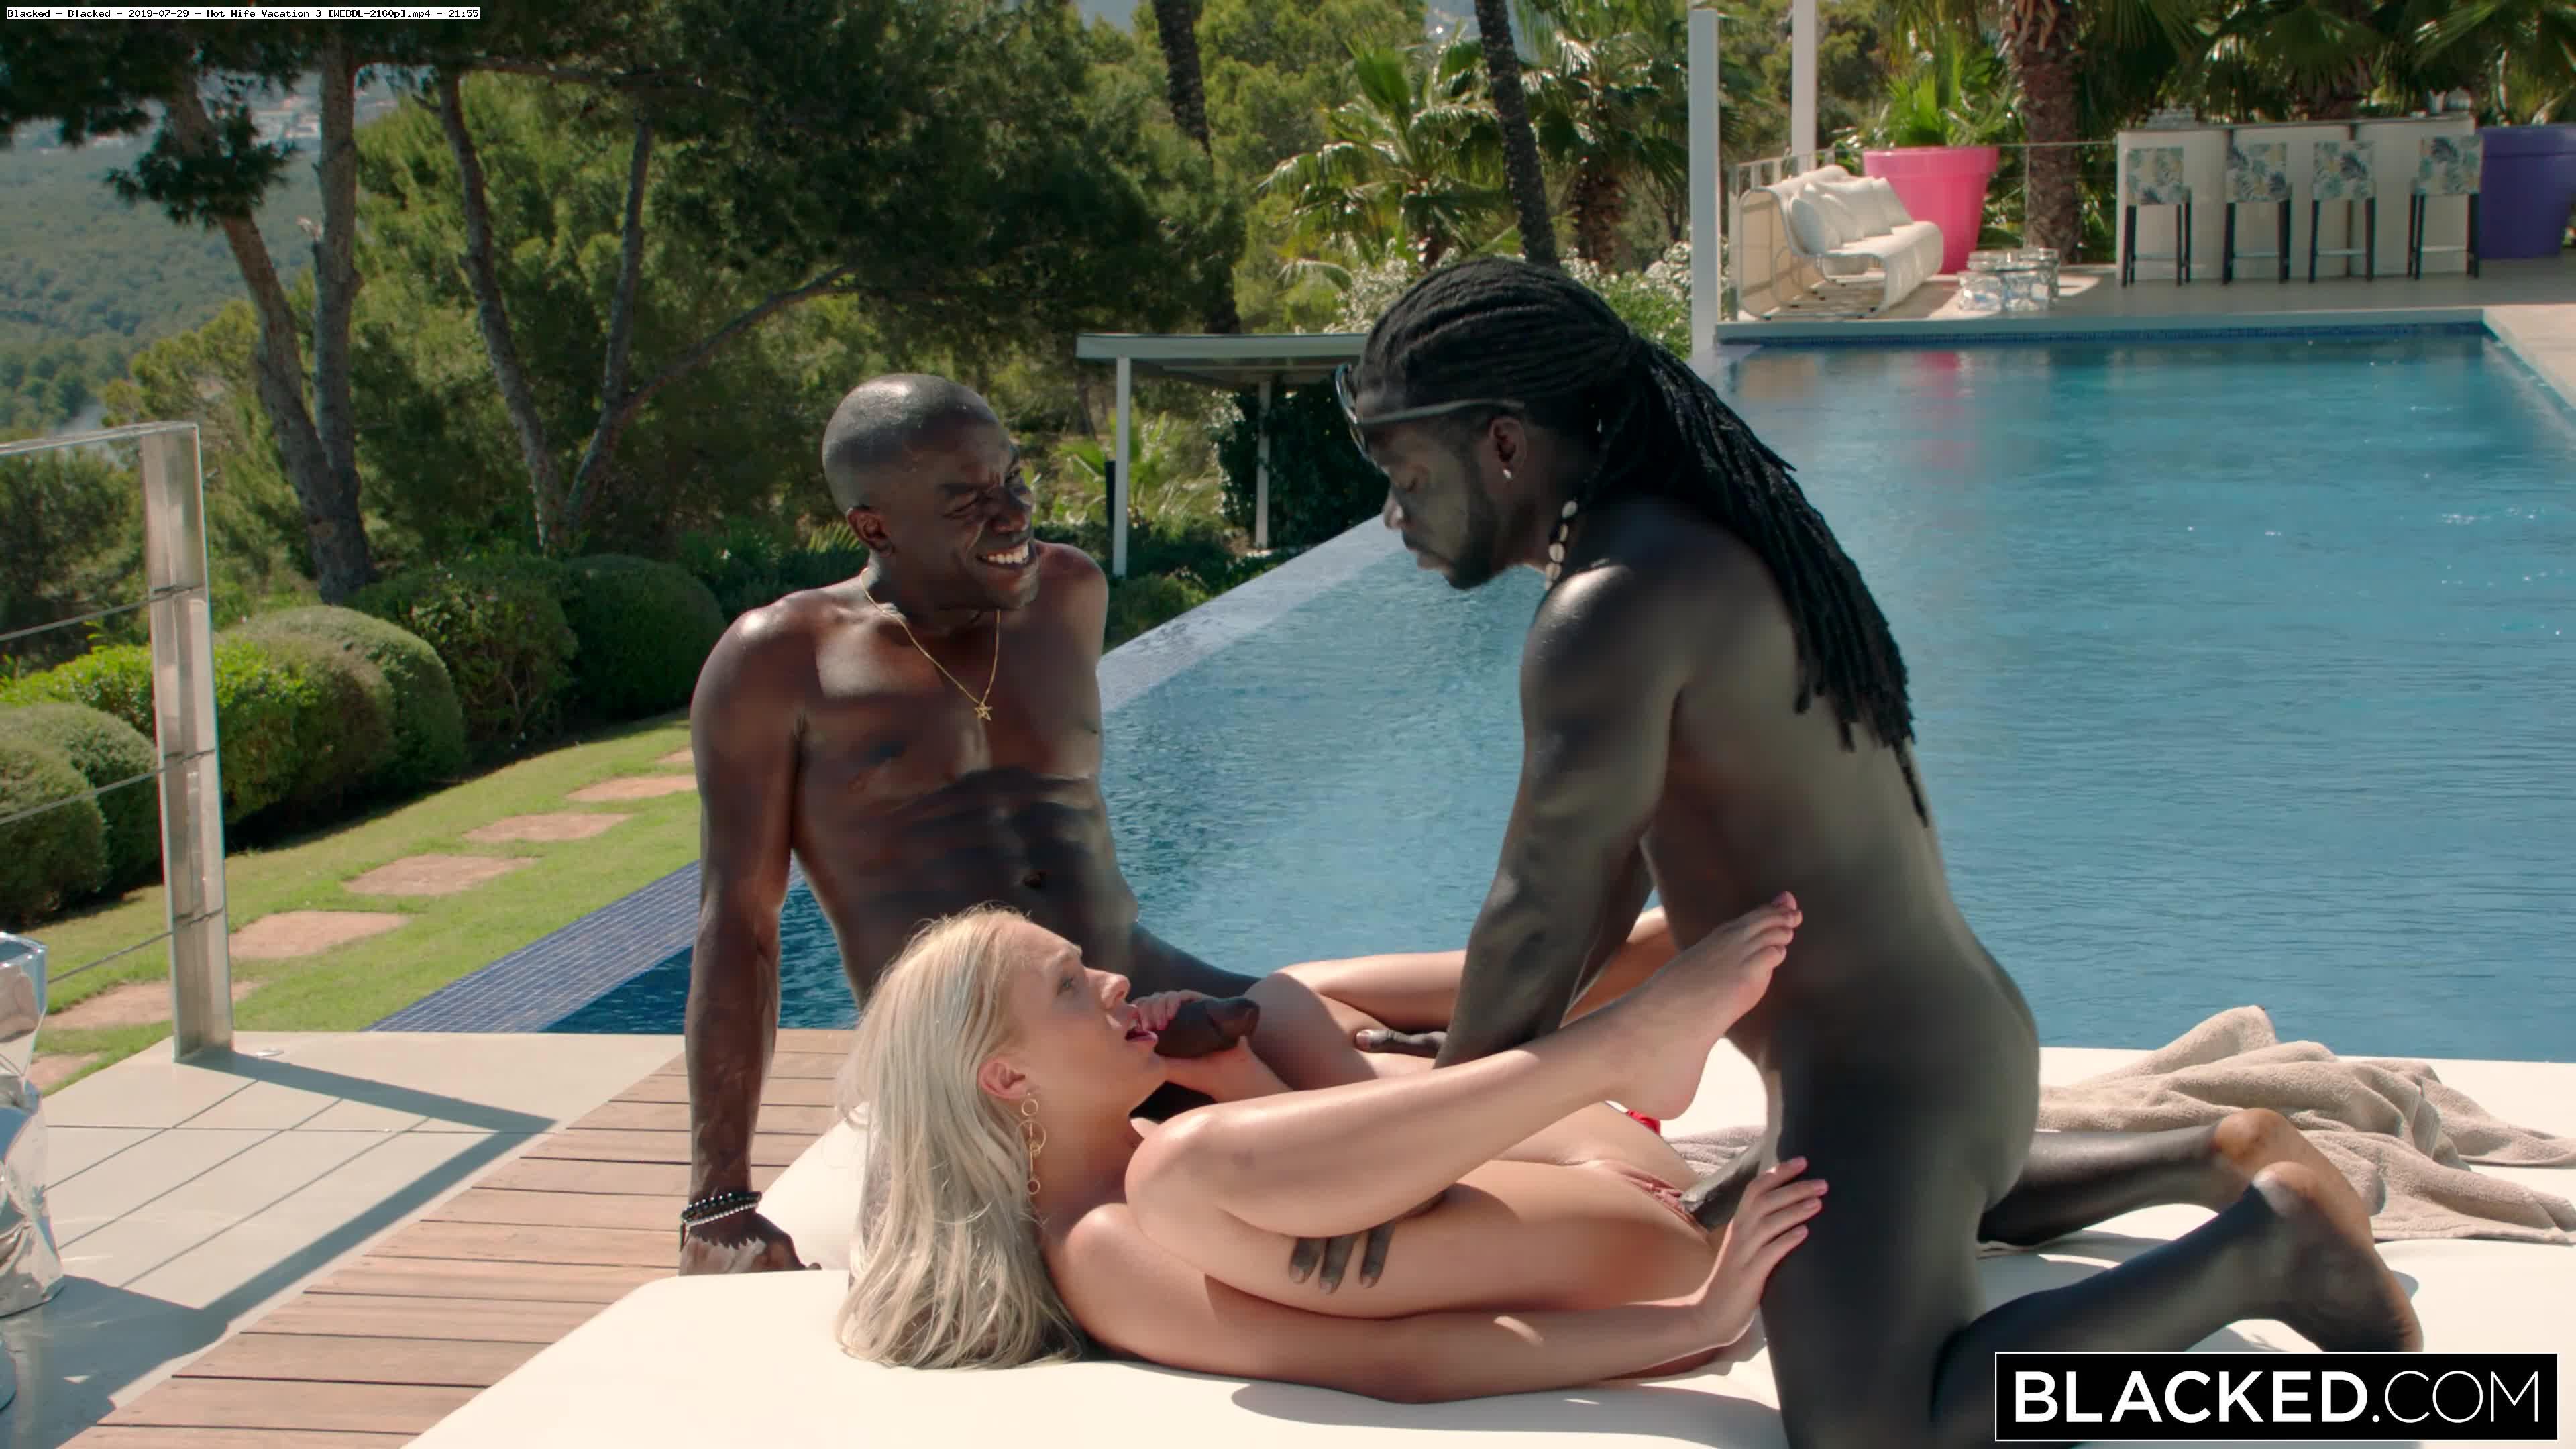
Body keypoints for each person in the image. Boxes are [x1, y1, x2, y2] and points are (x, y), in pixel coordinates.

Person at [1330, 258, 2420, 1446]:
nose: (1394, 514)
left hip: (1885, 1088)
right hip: (1957, 1060)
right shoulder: (1695, 539)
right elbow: (1600, 879)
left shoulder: (1611, 606)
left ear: (1503, 445)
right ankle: (2204, 1150)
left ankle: (2266, 1250)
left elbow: (1539, 901)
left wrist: (1413, 1156)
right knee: (1915, 1201)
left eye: (1406, 474)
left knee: (1875, 1433)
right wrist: (1479, 1062)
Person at [678, 373, 1676, 1277]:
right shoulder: (783, 664)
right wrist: (720, 1198)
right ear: (874, 526)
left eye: (1013, 478)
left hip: (1139, 992)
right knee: (1361, 1109)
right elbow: (742, 924)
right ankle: (1422, 1057)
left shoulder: (1066, 594)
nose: (1013, 513)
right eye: (967, 500)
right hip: (1009, 1059)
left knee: (1385, 1013)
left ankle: (1677, 970)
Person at [837, 896, 1827, 1394]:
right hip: (1659, 1252)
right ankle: (1625, 1039)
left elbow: (1359, 1226)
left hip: (1601, 1175)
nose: (1112, 980)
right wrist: (1697, 1323)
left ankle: (1682, 937)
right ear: (1008, 1081)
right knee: (1187, 1168)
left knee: (1283, 1003)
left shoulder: (1151, 1144)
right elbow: (1392, 1358)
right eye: (1068, 986)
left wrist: (1236, 1075)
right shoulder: (1104, 1244)